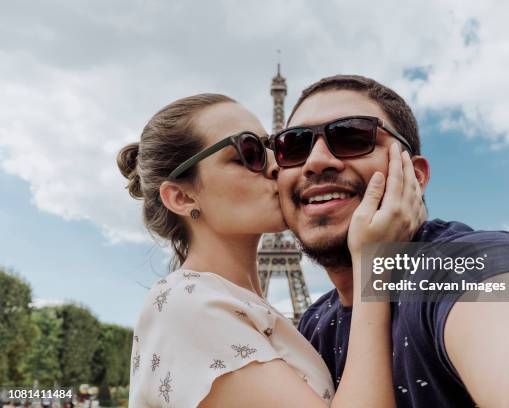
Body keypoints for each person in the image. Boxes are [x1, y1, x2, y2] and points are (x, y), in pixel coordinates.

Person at [272, 74, 509, 407]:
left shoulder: (454, 264)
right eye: (294, 145)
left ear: (415, 176)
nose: (316, 161)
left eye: (352, 137)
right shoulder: (315, 322)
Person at [120, 93, 425, 407]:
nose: (277, 166)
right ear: (182, 198)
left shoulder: (241, 309)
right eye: (249, 153)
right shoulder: (188, 306)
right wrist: (372, 264)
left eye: (273, 147)